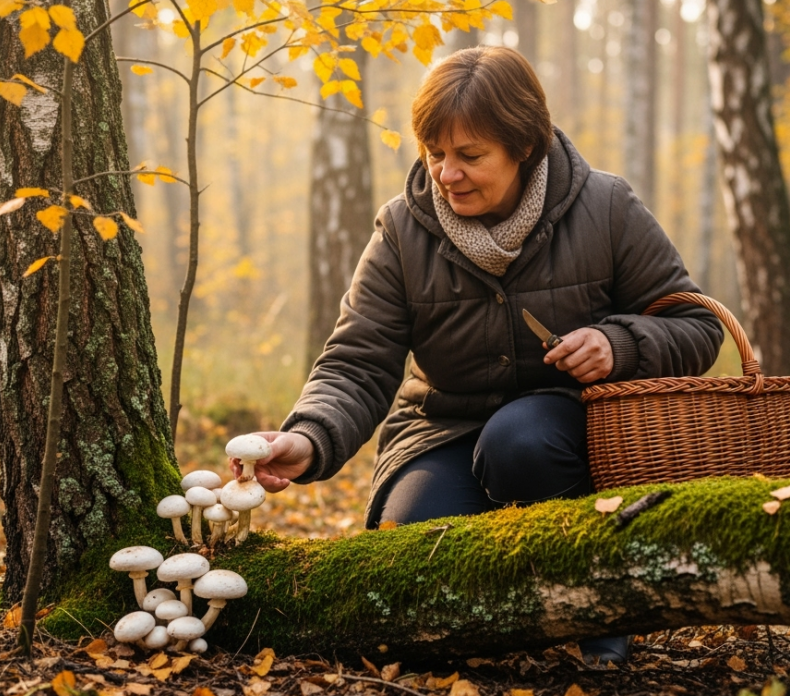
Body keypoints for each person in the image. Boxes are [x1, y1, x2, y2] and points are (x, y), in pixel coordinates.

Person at [233, 46, 722, 662]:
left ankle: (599, 613)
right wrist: (308, 437)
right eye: (434, 154)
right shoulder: (401, 232)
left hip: (561, 434)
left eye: (469, 156)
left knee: (520, 439)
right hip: (441, 434)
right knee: (413, 567)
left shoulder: (607, 207)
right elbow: (357, 362)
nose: (446, 174)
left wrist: (619, 343)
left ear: (524, 146)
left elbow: (698, 325)